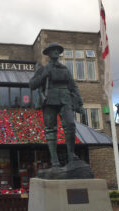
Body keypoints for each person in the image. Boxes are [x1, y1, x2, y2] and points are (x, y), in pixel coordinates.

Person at [29, 42, 84, 171]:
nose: (56, 52)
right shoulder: (43, 69)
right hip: (49, 100)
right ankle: (54, 160)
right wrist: (43, 75)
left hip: (65, 99)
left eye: (57, 50)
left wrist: (79, 102)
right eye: (53, 50)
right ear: (48, 53)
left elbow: (73, 86)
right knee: (50, 129)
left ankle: (71, 155)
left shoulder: (65, 69)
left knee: (70, 125)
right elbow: (32, 85)